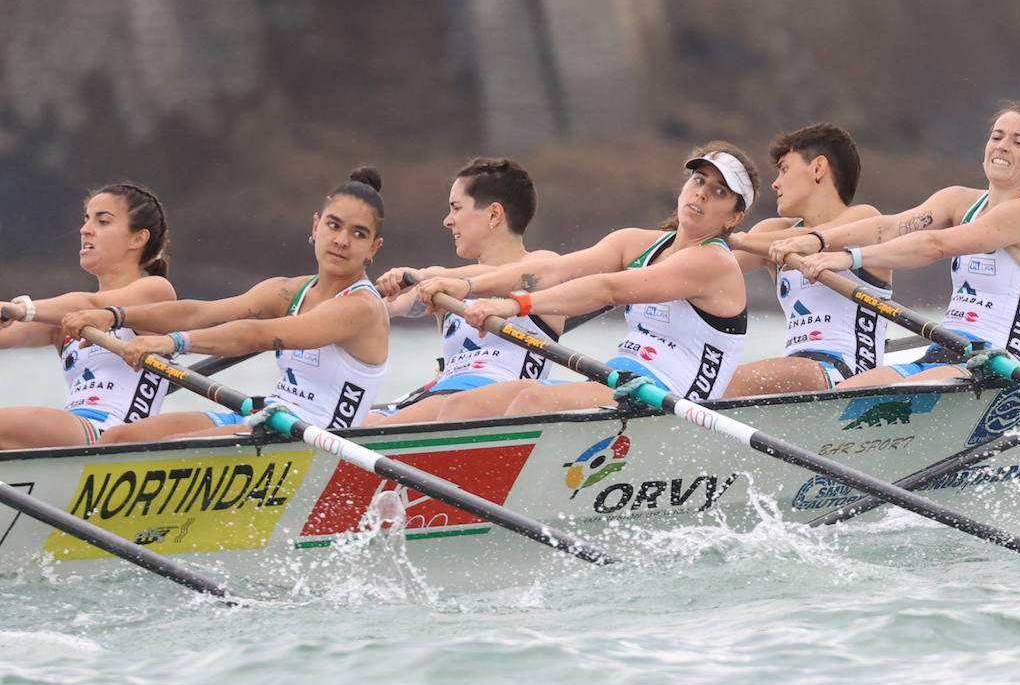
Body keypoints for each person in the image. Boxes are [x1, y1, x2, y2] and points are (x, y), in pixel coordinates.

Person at [412, 141, 757, 419]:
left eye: (720, 192)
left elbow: (607, 288)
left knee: (531, 402)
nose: (701, 194)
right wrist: (468, 287)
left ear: (735, 217)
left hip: (673, 404)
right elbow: (555, 271)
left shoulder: (712, 261)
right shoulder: (635, 243)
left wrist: (511, 305)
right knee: (472, 404)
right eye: (699, 181)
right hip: (622, 382)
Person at [62, 167, 390, 442]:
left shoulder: (360, 307)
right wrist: (113, 315)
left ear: (374, 247)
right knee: (120, 439)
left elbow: (259, 335)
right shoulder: (287, 291)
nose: (342, 241)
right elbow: (198, 312)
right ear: (316, 226)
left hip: (315, 441)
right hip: (271, 417)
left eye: (358, 234)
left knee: (167, 449)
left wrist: (171, 341)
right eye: (334, 226)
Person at [769, 102, 1020, 386]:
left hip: (999, 368)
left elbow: (935, 245)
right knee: (845, 394)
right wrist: (818, 239)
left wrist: (848, 258)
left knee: (881, 399)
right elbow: (891, 226)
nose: (1002, 146)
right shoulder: (957, 201)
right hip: (946, 353)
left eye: (1018, 142)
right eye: (997, 136)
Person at [366, 158, 564, 425]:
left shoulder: (543, 265)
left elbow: (499, 276)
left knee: (385, 425)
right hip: (441, 396)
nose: (448, 221)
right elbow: (373, 309)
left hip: (494, 400)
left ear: (494, 214)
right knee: (357, 422)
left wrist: (427, 276)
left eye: (456, 208)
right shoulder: (440, 283)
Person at [724, 123, 894, 395]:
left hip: (849, 371)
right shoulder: (771, 232)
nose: (775, 183)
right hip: (801, 368)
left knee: (731, 382)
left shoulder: (866, 219)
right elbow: (718, 267)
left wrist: (736, 237)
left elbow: (816, 237)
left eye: (784, 169)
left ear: (817, 168)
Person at [0, 182, 174, 448]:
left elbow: (90, 302)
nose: (85, 230)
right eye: (86, 219)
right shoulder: (65, 320)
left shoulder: (155, 292)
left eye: (102, 221)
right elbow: (8, 335)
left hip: (113, 435)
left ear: (137, 239)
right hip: (73, 433)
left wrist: (21, 309)